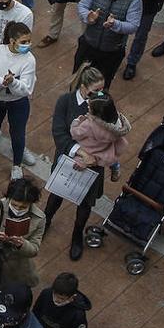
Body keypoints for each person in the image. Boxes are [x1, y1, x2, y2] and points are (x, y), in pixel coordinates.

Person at [44, 70, 131, 260]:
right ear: (83, 87)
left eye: (103, 89)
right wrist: (83, 154)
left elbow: (114, 138)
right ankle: (45, 221)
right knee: (56, 194)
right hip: (68, 160)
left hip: (94, 168)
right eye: (95, 90)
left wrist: (94, 160)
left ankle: (77, 235)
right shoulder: (65, 101)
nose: (100, 94)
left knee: (85, 203)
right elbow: (60, 134)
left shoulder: (103, 104)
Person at [0, 22, 37, 180]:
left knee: (17, 134)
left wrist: (13, 82)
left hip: (17, 102)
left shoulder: (29, 60)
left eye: (29, 41)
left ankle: (17, 165)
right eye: (23, 42)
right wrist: (2, 82)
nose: (27, 45)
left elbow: (26, 88)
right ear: (11, 41)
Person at [73, 0, 142, 88]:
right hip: (88, 45)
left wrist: (115, 24)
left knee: (102, 86)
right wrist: (88, 16)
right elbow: (82, 5)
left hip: (111, 52)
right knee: (78, 80)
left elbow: (133, 25)